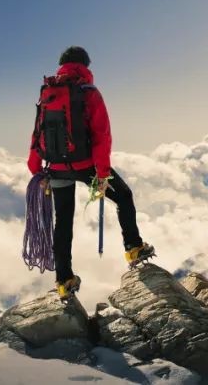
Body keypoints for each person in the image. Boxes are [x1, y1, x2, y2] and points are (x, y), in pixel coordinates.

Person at [28, 46, 154, 298]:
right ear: (86, 65)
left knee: (62, 222)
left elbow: (37, 133)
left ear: (61, 65)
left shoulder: (48, 92)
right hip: (85, 165)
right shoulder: (89, 93)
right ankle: (134, 247)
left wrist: (36, 171)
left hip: (55, 169)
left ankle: (64, 280)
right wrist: (103, 175)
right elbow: (101, 137)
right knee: (124, 196)